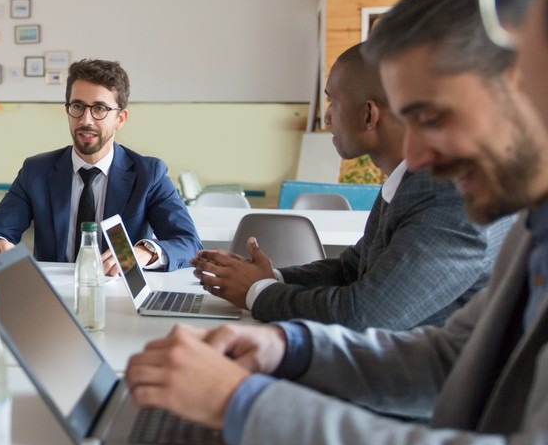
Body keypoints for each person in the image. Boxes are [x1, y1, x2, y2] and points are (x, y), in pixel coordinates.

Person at [124, 0, 548, 445]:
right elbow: (453, 357)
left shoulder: (478, 207)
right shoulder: (534, 229)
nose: (412, 157)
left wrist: (243, 404)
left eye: (433, 118)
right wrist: (288, 347)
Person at [190, 43, 511, 330]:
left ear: (369, 115)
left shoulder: (450, 195)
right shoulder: (412, 182)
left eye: (332, 101)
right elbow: (352, 269)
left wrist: (257, 292)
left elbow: (365, 315)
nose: (327, 117)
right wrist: (269, 277)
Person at [0, 59, 201, 271]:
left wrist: (144, 252)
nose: (85, 120)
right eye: (78, 106)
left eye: (100, 108)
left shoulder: (148, 174)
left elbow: (188, 243)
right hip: (54, 296)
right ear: (68, 111)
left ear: (120, 118)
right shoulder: (37, 172)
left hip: (118, 294)